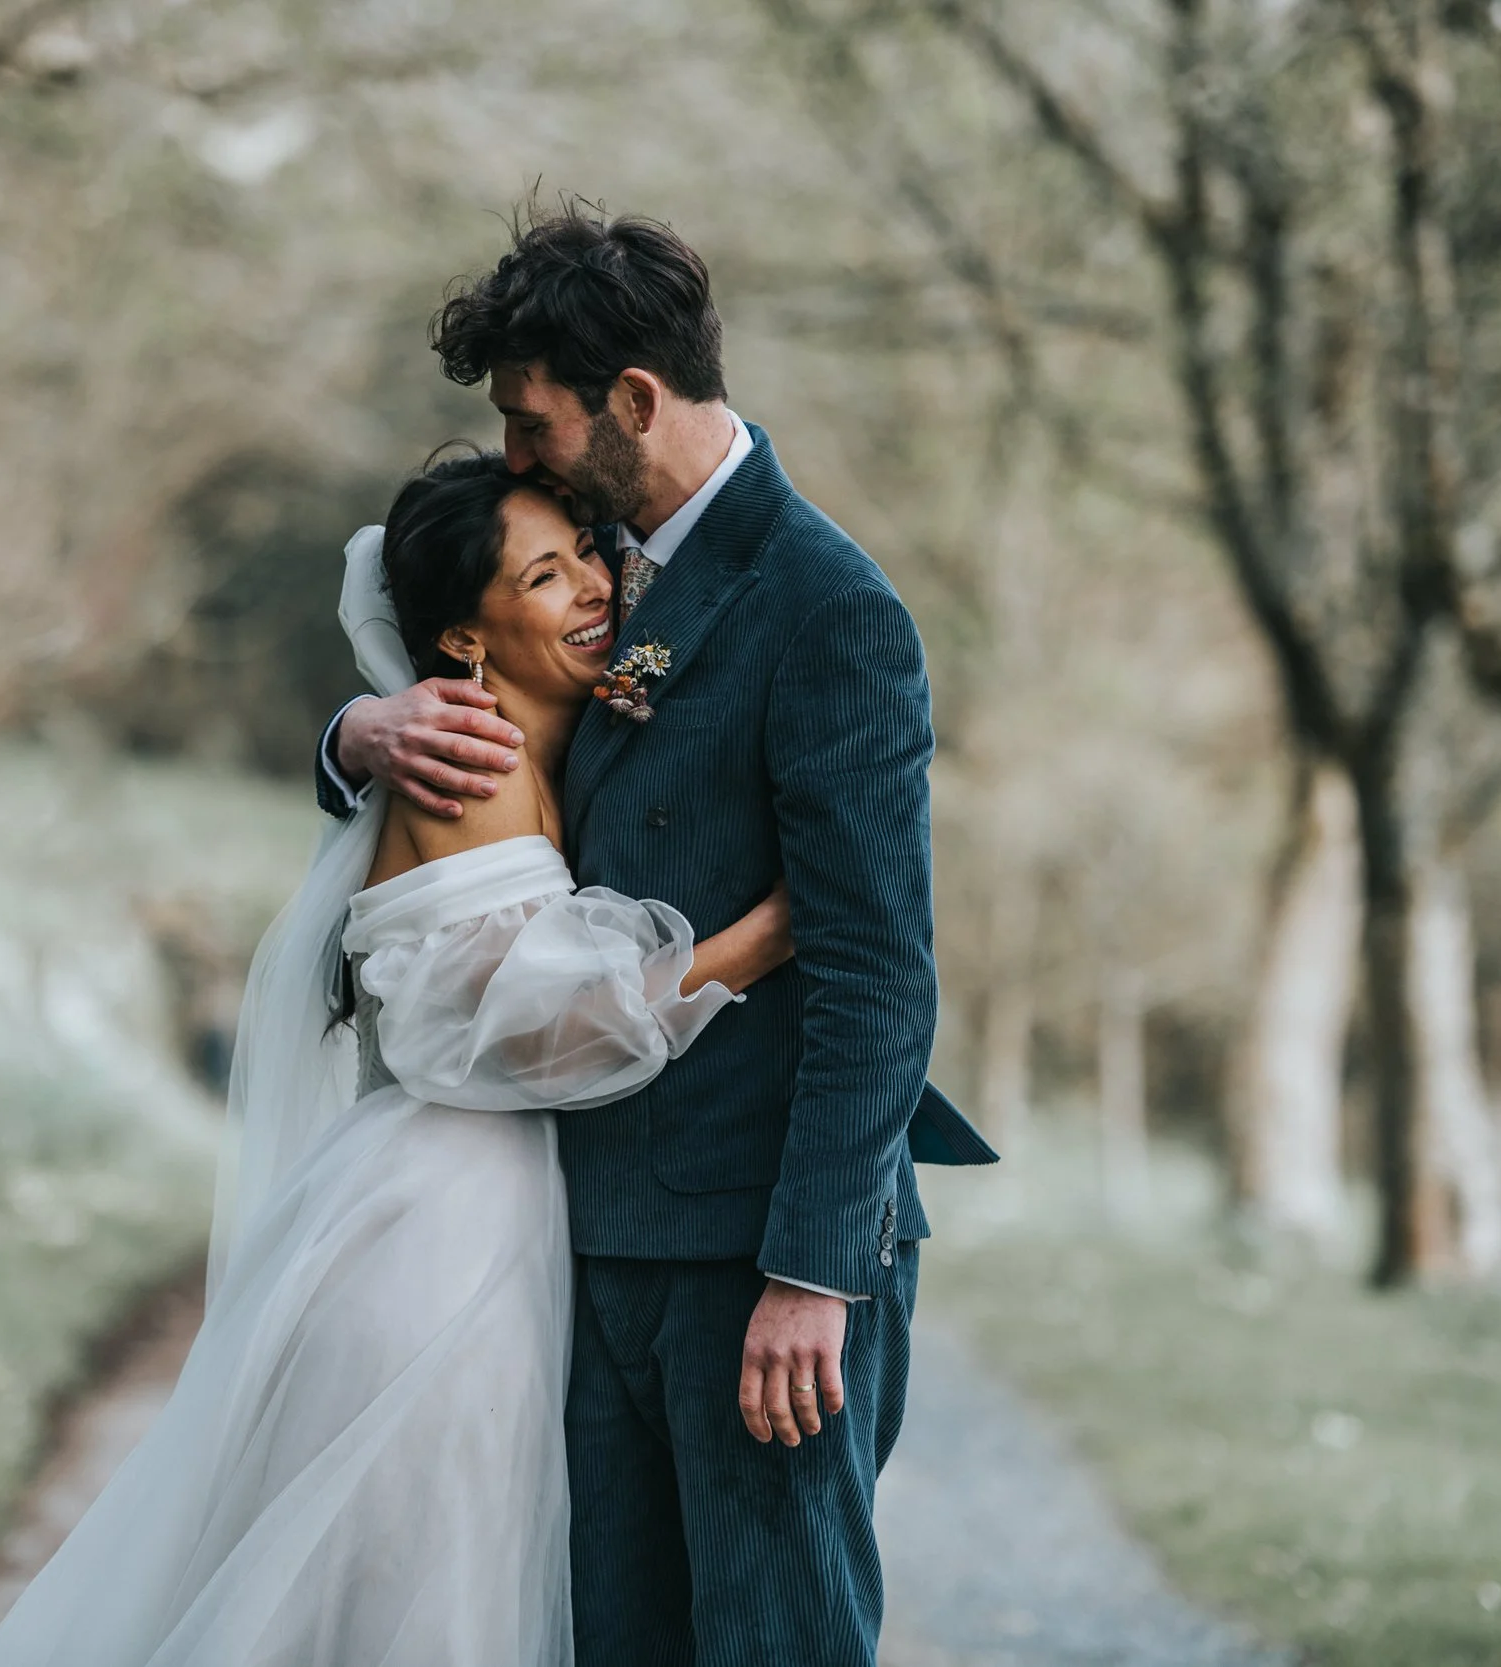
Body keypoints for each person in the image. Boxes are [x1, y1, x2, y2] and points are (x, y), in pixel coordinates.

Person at [0, 454, 796, 1667]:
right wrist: (766, 938)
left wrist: (360, 721)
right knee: (405, 1596)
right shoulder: (474, 762)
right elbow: (527, 1033)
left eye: (585, 558)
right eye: (544, 574)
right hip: (436, 1250)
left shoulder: (531, 743)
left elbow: (377, 566)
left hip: (478, 1220)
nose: (592, 593)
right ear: (464, 634)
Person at [315, 208, 996, 1667]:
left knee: (769, 1644)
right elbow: (478, 762)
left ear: (633, 401)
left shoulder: (828, 610)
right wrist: (357, 734)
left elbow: (878, 969)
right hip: (588, 1238)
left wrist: (814, 1272)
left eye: (531, 420)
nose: (513, 456)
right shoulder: (586, 565)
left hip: (757, 1255)